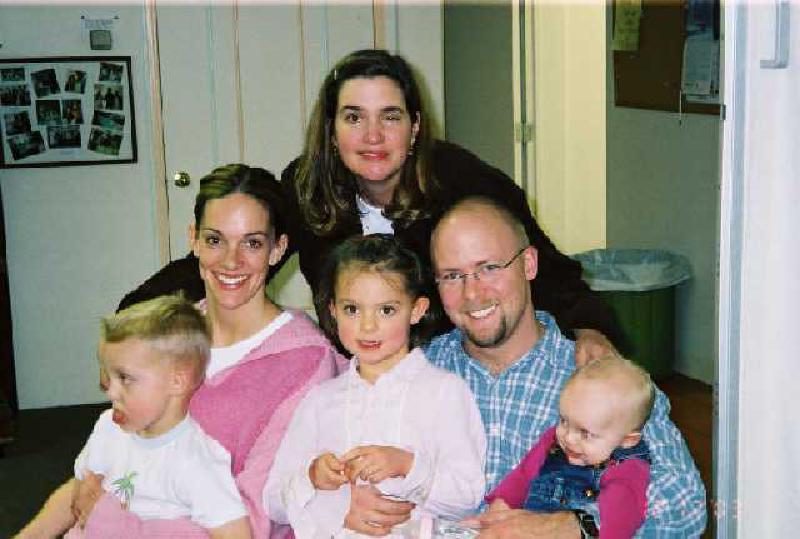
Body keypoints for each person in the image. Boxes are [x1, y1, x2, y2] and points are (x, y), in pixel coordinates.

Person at [118, 49, 620, 365]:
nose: (373, 137)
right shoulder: (307, 184)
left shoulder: (467, 185)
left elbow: (548, 272)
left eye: (391, 117)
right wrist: (136, 320)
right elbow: (238, 254)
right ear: (332, 130)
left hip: (453, 370)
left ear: (416, 126)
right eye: (354, 117)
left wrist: (592, 331)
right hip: (356, 371)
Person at [343, 197, 706, 538]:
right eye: (453, 276)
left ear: (529, 264)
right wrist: (352, 501)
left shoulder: (597, 376)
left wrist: (573, 527)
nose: (473, 294)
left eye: (488, 268)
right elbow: (342, 463)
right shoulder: (412, 373)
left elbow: (685, 507)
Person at [69, 164, 346, 537]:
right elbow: (118, 458)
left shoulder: (306, 362)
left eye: (252, 243)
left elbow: (258, 510)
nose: (231, 261)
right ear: (194, 240)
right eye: (215, 240)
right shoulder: (169, 333)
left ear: (278, 249)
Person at [266, 234, 485, 538]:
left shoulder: (444, 392)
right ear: (332, 310)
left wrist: (407, 465)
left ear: (417, 310)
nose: (367, 326)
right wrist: (313, 477)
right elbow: (274, 501)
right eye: (352, 309)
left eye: (386, 310)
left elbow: (467, 495)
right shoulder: (321, 400)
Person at [15, 295, 251, 539]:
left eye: (125, 378)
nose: (110, 390)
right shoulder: (109, 427)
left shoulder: (195, 460)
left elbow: (234, 533)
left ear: (177, 381)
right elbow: (77, 492)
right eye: (109, 377)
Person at [482, 354, 655, 538]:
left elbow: (616, 520)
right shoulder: (553, 442)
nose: (569, 438)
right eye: (564, 421)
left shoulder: (627, 468)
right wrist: (501, 504)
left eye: (585, 433)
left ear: (627, 440)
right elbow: (523, 474)